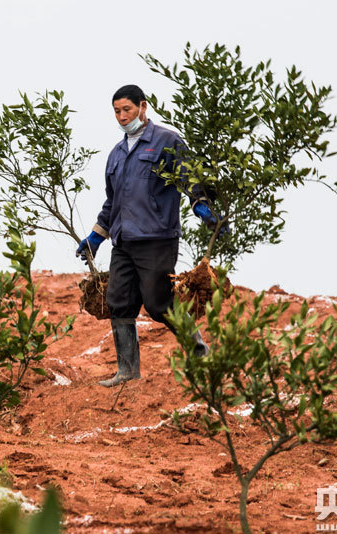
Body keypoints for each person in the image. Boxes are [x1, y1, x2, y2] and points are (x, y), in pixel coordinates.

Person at [75, 84, 213, 388]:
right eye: (116, 111)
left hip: (157, 238)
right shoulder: (116, 154)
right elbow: (113, 202)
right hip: (124, 241)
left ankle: (201, 355)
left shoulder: (166, 141)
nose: (122, 116)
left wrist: (200, 203)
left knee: (158, 303)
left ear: (143, 106)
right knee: (119, 301)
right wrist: (96, 237)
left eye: (127, 109)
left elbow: (190, 177)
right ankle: (127, 371)